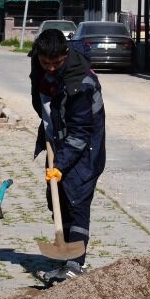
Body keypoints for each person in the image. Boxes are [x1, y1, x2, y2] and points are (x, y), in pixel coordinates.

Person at [29, 26, 105, 281]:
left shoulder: (80, 83)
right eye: (45, 62)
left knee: (77, 201)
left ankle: (75, 264)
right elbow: (41, 103)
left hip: (85, 148)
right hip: (58, 142)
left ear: (66, 54)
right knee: (57, 200)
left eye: (56, 63)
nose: (50, 67)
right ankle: (64, 259)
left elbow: (81, 132)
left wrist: (60, 165)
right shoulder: (38, 65)